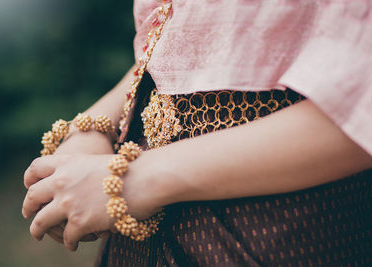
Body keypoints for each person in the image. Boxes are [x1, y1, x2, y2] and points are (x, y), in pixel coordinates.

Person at [22, 0, 372, 266]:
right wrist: (95, 127)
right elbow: (182, 43)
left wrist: (134, 180)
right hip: (137, 226)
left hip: (269, 229)